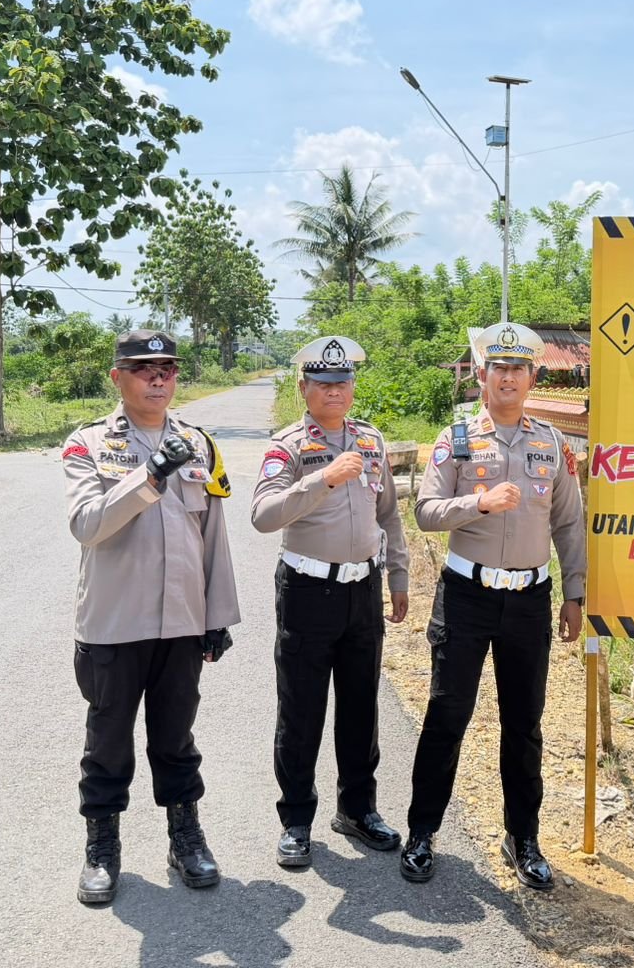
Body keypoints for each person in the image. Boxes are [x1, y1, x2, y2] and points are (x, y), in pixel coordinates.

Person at [400, 322, 586, 890]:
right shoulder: (454, 436)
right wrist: (477, 503)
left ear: (534, 376)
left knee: (524, 723)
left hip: (530, 600)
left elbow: (569, 522)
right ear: (482, 375)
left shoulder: (551, 443)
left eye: (519, 368)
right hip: (466, 597)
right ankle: (422, 832)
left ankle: (522, 837)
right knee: (447, 716)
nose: (508, 377)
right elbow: (425, 513)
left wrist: (574, 591)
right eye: (498, 368)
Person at [61, 329, 241, 906]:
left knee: (176, 736)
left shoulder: (199, 443)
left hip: (182, 624)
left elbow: (213, 534)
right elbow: (88, 524)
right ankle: (102, 848)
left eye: (167, 368)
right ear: (118, 378)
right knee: (108, 740)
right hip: (114, 624)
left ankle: (185, 837)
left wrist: (218, 614)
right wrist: (151, 475)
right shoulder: (87, 445)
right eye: (143, 369)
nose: (157, 378)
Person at [251, 336, 410, 868]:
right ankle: (297, 820)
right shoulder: (288, 446)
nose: (335, 391)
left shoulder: (371, 441)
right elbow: (264, 515)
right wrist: (322, 477)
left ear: (352, 387)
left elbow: (388, 513)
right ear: (304, 388)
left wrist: (398, 577)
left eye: (342, 382)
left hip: (362, 589)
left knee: (361, 706)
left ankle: (357, 809)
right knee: (301, 710)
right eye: (323, 383)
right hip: (307, 591)